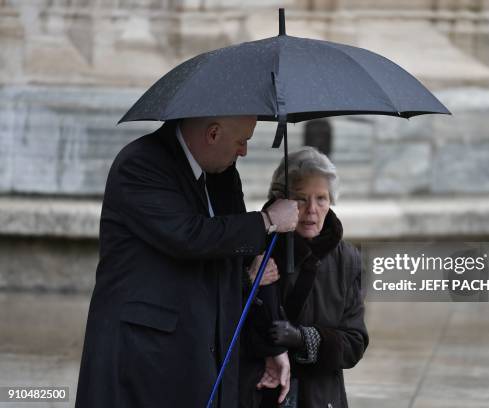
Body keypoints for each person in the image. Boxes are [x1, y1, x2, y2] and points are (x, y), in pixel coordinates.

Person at [75, 116, 299, 408]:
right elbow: (187, 236)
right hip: (144, 358)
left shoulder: (222, 172)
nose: (244, 151)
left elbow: (232, 258)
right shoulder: (141, 163)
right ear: (213, 133)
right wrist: (267, 221)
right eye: (241, 141)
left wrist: (271, 347)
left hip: (203, 355)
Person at [241, 146, 369, 408]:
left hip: (321, 397)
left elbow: (355, 342)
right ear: (281, 200)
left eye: (321, 198)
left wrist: (303, 338)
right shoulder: (253, 249)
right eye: (300, 198)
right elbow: (221, 327)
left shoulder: (347, 259)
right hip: (261, 392)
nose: (311, 209)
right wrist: (246, 283)